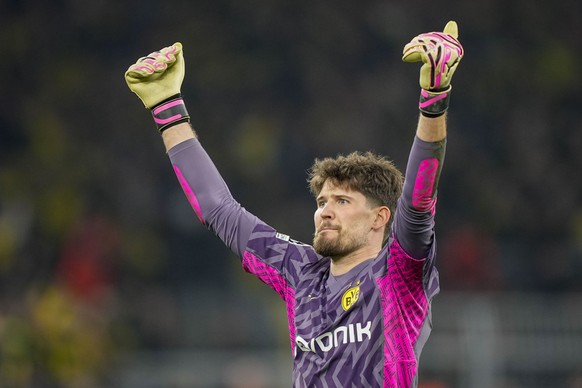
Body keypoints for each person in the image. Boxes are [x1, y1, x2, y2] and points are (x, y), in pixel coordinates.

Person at [124, 20, 463, 388]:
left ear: (380, 217)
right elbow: (219, 209)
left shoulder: (396, 274)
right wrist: (166, 106)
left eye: (343, 200)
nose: (325, 210)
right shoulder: (300, 272)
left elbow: (417, 203)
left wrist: (434, 99)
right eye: (322, 201)